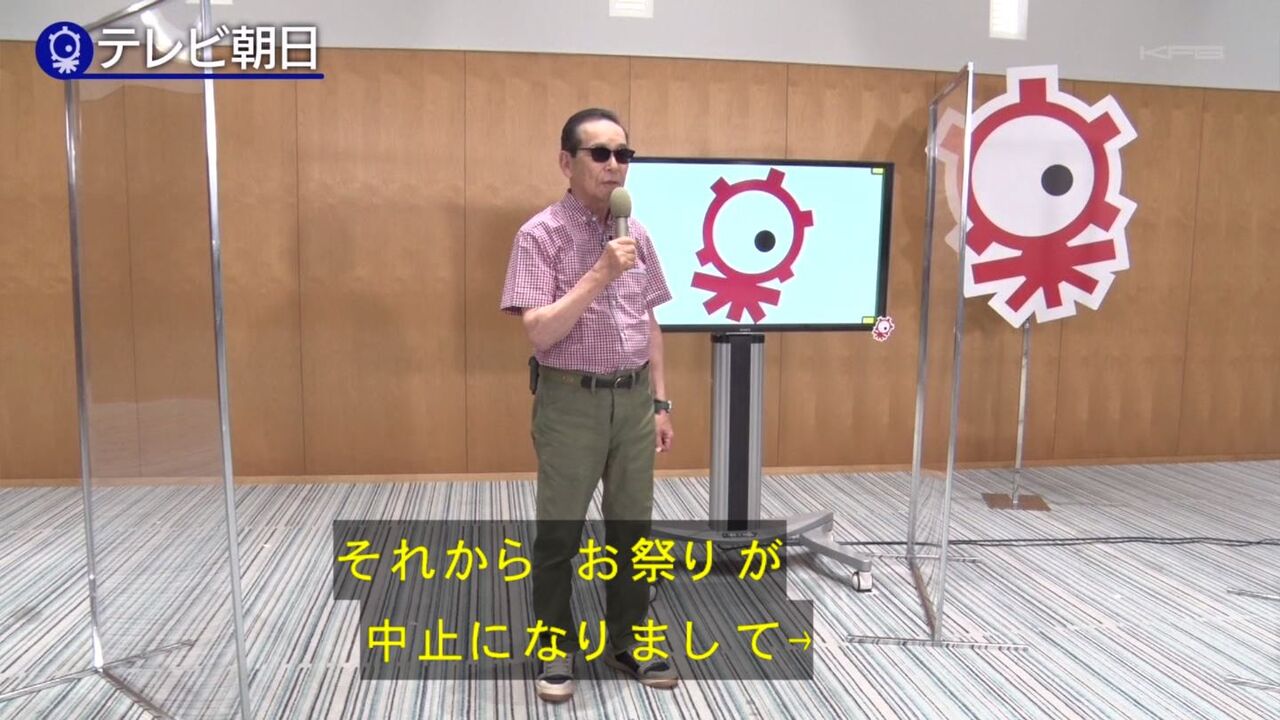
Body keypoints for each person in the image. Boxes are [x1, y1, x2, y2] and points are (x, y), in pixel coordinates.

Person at [500, 107, 678, 702]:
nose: (614, 165)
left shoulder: (637, 233)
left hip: (634, 402)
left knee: (633, 531)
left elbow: (649, 321)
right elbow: (539, 331)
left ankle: (628, 640)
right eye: (599, 153)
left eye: (623, 154)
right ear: (566, 162)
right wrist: (599, 273)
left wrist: (660, 402)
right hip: (570, 401)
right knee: (560, 534)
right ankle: (554, 646)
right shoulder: (540, 235)